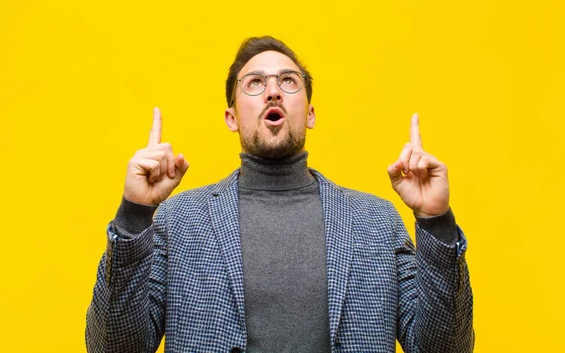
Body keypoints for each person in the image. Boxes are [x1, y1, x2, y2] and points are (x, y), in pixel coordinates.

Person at [85, 36, 474, 353]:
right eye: (255, 83)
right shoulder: (178, 221)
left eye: (288, 81)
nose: (273, 91)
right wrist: (134, 215)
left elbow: (446, 348)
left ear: (310, 113)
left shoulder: (376, 222)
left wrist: (435, 221)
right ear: (232, 117)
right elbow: (113, 347)